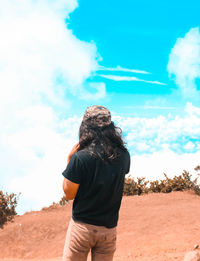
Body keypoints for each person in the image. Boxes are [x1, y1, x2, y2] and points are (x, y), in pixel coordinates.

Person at [62, 105, 130, 261]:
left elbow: (68, 194)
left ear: (86, 127)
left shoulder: (81, 158)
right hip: (109, 229)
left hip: (82, 228)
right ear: (110, 126)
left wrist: (69, 160)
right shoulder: (124, 155)